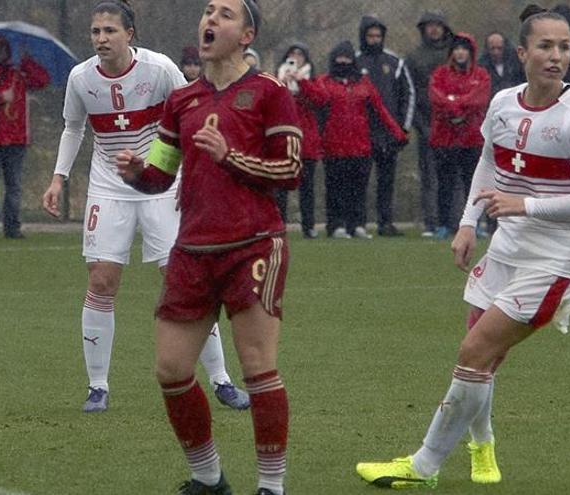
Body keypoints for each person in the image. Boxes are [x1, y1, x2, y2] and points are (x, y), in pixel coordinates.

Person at [357, 5, 570, 489]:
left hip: (559, 260)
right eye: (545, 46)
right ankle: (483, 443)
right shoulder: (503, 103)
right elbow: (488, 166)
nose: (556, 56)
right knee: (482, 357)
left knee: (474, 350)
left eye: (564, 47)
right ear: (522, 52)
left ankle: (423, 466)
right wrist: (468, 223)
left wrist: (523, 205)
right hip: (509, 246)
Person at [115, 0, 303, 492]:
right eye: (206, 11)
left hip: (254, 246)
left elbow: (291, 171)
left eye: (223, 13)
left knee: (259, 368)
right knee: (171, 370)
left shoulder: (270, 93)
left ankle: (271, 486)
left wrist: (233, 157)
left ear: (247, 35)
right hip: (193, 249)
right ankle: (208, 478)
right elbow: (161, 175)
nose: (209, 19)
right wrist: (138, 174)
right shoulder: (183, 101)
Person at [41, 0, 249, 414]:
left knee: (185, 280)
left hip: (160, 183)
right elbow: (73, 127)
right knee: (101, 281)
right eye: (96, 32)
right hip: (109, 187)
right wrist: (58, 178)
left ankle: (222, 380)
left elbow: (188, 115)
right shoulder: (81, 78)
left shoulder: (158, 69)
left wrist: (195, 173)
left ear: (129, 34)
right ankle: (97, 387)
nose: (101, 38)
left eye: (109, 31)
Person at [294, 41, 408, 239]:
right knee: (335, 188)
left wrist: (398, 133)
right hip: (333, 145)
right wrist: (301, 82)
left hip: (361, 145)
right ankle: (336, 224)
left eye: (347, 58)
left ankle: (358, 225)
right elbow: (317, 98)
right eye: (339, 58)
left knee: (359, 188)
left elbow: (380, 110)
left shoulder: (364, 83)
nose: (343, 62)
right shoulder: (324, 81)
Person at [0, 35, 50, 240]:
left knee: (13, 186)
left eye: (3, 48)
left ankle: (12, 227)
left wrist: (27, 60)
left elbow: (42, 80)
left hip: (15, 139)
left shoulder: (18, 73)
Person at [356, 15, 415, 237]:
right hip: (362, 133)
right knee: (360, 180)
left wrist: (404, 127)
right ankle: (358, 223)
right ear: (364, 37)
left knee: (387, 181)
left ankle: (385, 222)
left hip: (389, 134)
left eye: (378, 36)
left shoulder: (394, 62)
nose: (374, 39)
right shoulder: (356, 61)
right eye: (370, 36)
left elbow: (408, 94)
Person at [428, 33, 491, 240]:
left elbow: (479, 100)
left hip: (471, 137)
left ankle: (474, 223)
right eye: (456, 49)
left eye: (464, 49)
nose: (460, 53)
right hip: (444, 138)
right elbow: (436, 97)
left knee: (472, 183)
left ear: (470, 52)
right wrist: (457, 107)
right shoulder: (440, 74)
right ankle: (444, 224)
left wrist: (455, 103)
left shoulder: (480, 75)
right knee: (445, 183)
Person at [406, 11, 454, 238]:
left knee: (457, 177)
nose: (434, 30)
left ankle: (458, 220)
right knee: (429, 177)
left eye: (438, 25)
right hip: (427, 125)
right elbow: (409, 94)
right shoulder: (414, 57)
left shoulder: (454, 53)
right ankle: (431, 222)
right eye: (430, 26)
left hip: (455, 126)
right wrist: (420, 125)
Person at [275, 42, 323, 239]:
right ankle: (279, 225)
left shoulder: (312, 78)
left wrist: (301, 82)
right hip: (283, 140)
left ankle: (308, 226)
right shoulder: (278, 78)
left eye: (300, 54)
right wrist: (284, 83)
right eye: (292, 54)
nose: (296, 58)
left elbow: (320, 99)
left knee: (307, 187)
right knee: (280, 187)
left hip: (306, 140)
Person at [479, 31, 525, 98]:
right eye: (492, 48)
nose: (496, 52)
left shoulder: (516, 63)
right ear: (487, 49)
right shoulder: (482, 67)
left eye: (499, 48)